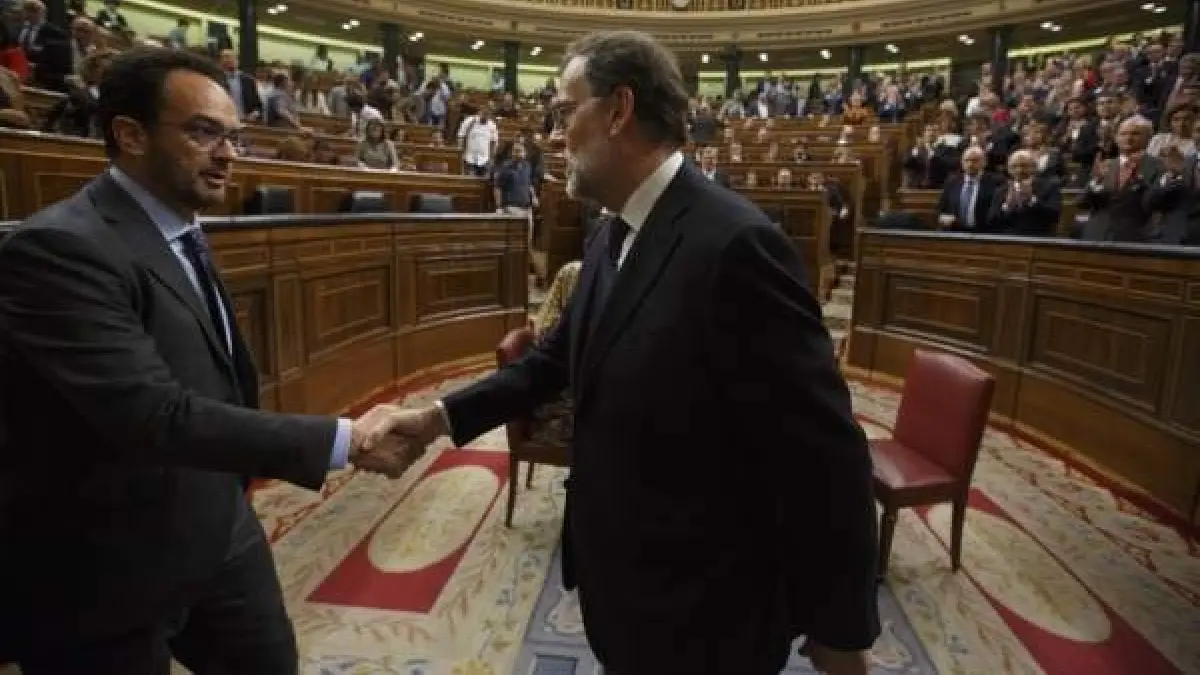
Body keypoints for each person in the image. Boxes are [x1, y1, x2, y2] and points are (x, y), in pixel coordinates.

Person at [378, 30, 878, 675]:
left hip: (707, 610)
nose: (555, 133)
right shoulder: (611, 233)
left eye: (565, 111)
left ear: (618, 110)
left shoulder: (736, 245)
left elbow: (823, 453)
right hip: (623, 587)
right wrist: (435, 418)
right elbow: (551, 363)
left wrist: (840, 628)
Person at [0, 48, 413, 675]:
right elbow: (152, 414)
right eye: (203, 132)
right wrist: (344, 441)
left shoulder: (181, 228)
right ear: (130, 135)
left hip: (219, 527)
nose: (228, 154)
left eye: (233, 136)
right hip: (104, 565)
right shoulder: (59, 249)